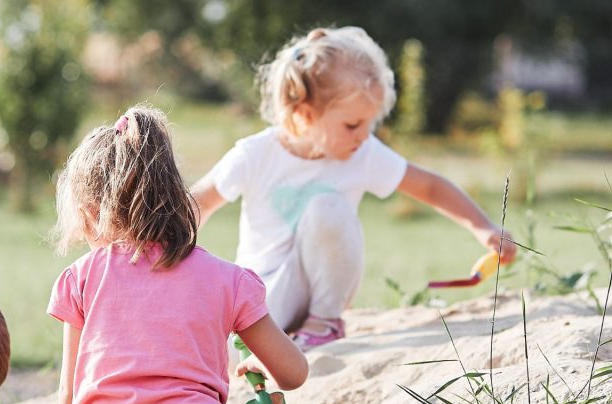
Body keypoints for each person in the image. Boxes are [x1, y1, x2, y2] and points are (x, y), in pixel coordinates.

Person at [25, 105, 323, 404]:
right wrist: (258, 355)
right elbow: (294, 373)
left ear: (90, 212)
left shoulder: (81, 279)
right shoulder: (227, 279)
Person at [191, 26, 516, 351]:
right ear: (304, 115)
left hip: (324, 292)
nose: (363, 135)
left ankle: (324, 322)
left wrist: (482, 226)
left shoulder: (362, 153)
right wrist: (160, 250)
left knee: (326, 208)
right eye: (352, 125)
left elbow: (428, 186)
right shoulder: (255, 155)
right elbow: (198, 203)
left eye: (370, 124)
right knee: (227, 341)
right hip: (263, 298)